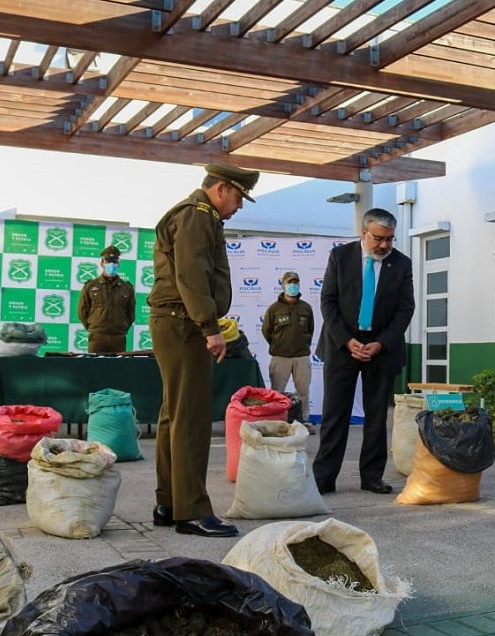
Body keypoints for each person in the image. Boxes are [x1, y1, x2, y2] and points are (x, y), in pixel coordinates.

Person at [147, 163, 259, 538]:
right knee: (192, 419)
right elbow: (192, 275)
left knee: (174, 415)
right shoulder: (196, 216)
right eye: (239, 197)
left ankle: (170, 502)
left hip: (177, 321)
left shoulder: (197, 215)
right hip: (185, 323)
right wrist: (210, 328)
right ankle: (192, 511)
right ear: (223, 188)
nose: (239, 206)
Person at [312, 208, 414, 495]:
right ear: (363, 233)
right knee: (335, 414)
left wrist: (381, 343)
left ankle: (372, 476)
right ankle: (324, 477)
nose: (384, 245)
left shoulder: (401, 264)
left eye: (390, 239)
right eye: (379, 238)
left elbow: (406, 309)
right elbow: (328, 302)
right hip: (342, 345)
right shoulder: (340, 257)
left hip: (381, 348)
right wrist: (346, 340)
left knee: (376, 415)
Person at [261, 270, 315, 429]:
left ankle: (304, 420)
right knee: (277, 392)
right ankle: (276, 421)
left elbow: (310, 330)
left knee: (303, 392)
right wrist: (278, 344)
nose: (292, 285)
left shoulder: (306, 308)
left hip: (301, 357)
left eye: (295, 282)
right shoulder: (274, 309)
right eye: (289, 283)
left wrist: (302, 345)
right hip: (280, 357)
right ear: (283, 285)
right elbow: (266, 331)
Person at [77, 245, 135, 353]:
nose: (111, 264)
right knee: (95, 368)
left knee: (117, 369)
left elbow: (131, 314)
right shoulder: (90, 286)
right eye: (108, 261)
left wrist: (121, 329)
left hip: (119, 337)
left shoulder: (127, 288)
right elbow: (82, 312)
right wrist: (94, 328)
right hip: (97, 337)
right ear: (102, 263)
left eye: (114, 261)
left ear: (119, 264)